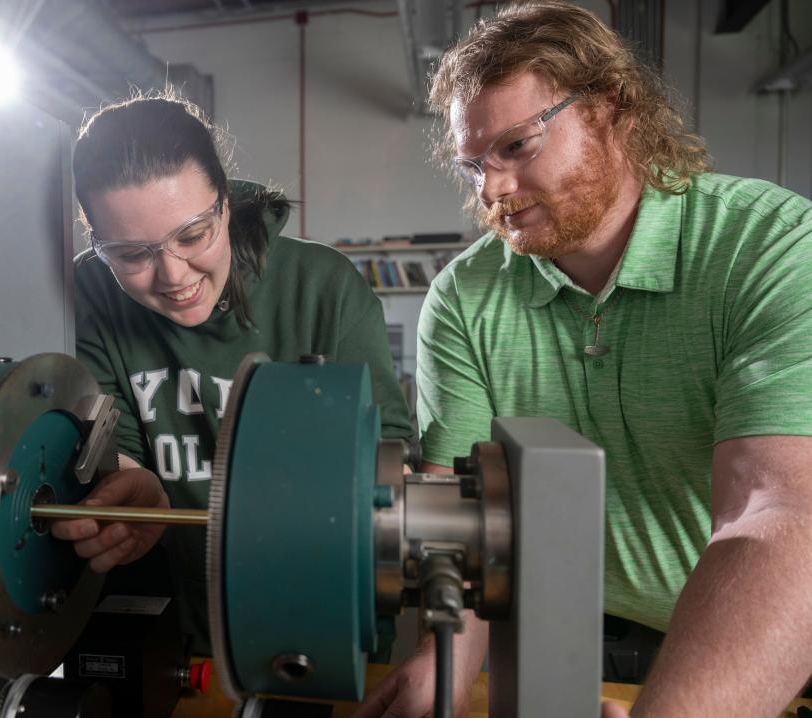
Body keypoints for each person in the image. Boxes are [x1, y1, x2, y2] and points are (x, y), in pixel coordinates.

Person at [356, 2, 812, 717]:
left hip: (747, 639)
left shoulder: (769, 248)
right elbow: (472, 524)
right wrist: (440, 667)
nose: (492, 191)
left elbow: (780, 509)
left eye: (517, 147)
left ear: (611, 110)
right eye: (473, 164)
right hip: (561, 635)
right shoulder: (463, 298)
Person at [51, 94, 414, 656]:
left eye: (193, 236)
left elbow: (386, 456)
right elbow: (114, 444)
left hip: (320, 613)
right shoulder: (90, 293)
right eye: (130, 254)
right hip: (170, 616)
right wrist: (130, 484)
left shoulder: (324, 287)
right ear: (95, 240)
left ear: (225, 202)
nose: (172, 275)